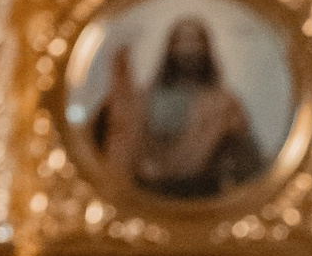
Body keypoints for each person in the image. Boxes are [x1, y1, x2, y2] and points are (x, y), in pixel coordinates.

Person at [94, 18, 267, 205]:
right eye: (181, 41)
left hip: (202, 198)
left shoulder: (225, 105)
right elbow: (112, 140)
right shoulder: (142, 100)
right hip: (147, 196)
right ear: (170, 47)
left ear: (206, 48)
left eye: (195, 41)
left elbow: (246, 161)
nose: (188, 49)